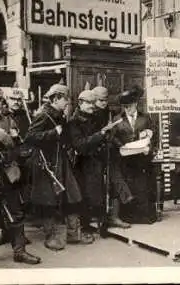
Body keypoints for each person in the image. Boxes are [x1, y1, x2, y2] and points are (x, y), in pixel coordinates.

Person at [0, 80, 41, 267]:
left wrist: (8, 151)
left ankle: (19, 251)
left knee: (16, 213)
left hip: (6, 173)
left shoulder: (8, 119)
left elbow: (15, 144)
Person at [25, 83, 88, 251]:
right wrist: (54, 133)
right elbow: (30, 137)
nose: (67, 103)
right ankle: (50, 236)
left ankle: (74, 234)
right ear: (55, 98)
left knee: (72, 194)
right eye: (65, 99)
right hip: (46, 163)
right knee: (48, 200)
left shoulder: (58, 114)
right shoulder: (44, 115)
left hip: (61, 161)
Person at [68, 89, 118, 244]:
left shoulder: (95, 118)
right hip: (82, 164)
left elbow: (101, 138)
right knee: (84, 196)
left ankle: (102, 225)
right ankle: (85, 228)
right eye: (88, 103)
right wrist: (101, 134)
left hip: (96, 162)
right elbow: (80, 145)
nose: (92, 106)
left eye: (93, 103)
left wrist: (106, 135)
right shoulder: (73, 122)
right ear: (80, 103)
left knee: (99, 194)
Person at [0, 82, 33, 247]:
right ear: (6, 100)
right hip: (4, 162)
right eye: (12, 99)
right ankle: (5, 232)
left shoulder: (27, 116)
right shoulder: (4, 116)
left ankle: (19, 235)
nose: (16, 101)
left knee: (20, 201)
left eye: (18, 99)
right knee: (0, 201)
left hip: (22, 161)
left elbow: (28, 137)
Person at [112, 85, 157, 224]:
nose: (127, 110)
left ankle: (145, 217)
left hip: (142, 159)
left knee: (143, 187)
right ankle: (129, 217)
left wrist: (149, 148)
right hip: (126, 160)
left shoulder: (145, 118)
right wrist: (121, 145)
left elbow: (154, 136)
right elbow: (113, 137)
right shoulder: (117, 119)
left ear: (136, 104)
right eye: (125, 107)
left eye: (130, 106)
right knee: (129, 187)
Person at [91, 85, 133, 229]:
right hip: (94, 156)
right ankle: (100, 219)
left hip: (110, 154)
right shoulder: (90, 114)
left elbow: (114, 134)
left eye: (105, 100)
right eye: (100, 100)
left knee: (115, 183)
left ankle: (114, 217)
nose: (103, 103)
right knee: (99, 188)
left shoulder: (110, 113)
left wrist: (118, 143)